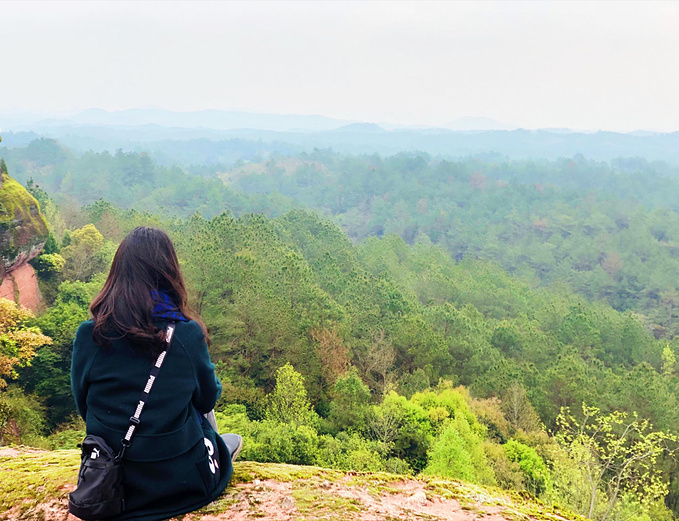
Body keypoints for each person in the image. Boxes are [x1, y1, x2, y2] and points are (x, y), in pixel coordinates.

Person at [71, 226, 242, 521]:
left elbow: (84, 404)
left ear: (117, 274)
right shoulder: (186, 335)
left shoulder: (91, 335)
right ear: (168, 272)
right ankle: (214, 451)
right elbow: (207, 398)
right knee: (207, 414)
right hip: (181, 485)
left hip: (112, 480)